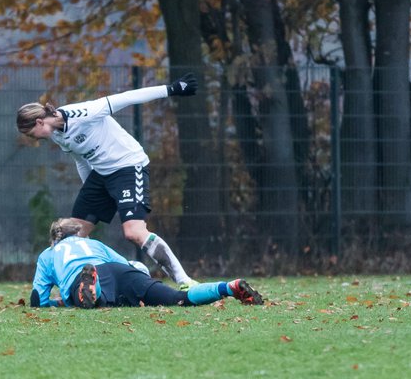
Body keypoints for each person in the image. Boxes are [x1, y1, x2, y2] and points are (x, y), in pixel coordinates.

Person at [17, 73, 198, 288]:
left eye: (31, 134)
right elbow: (81, 160)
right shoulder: (56, 134)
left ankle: (185, 281)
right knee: (70, 236)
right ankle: (78, 289)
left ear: (39, 121)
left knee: (134, 232)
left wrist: (171, 89)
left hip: (128, 167)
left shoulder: (84, 113)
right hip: (100, 175)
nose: (33, 139)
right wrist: (90, 193)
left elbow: (129, 97)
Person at [29, 219, 262, 308]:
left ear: (55, 239)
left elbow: (37, 298)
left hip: (82, 276)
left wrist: (53, 303)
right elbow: (130, 266)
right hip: (119, 271)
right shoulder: (95, 244)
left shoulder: (48, 254)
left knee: (95, 302)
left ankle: (90, 289)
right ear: (80, 235)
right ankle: (228, 287)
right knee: (176, 299)